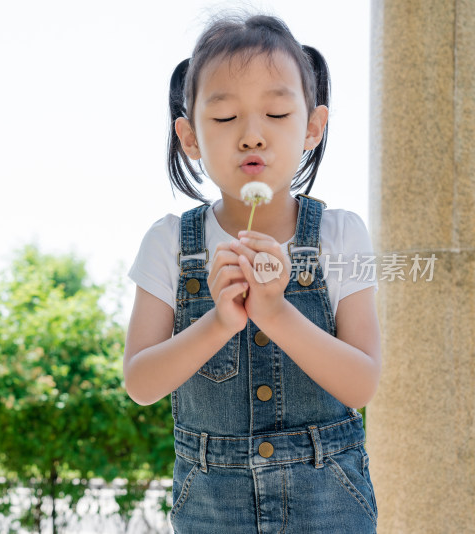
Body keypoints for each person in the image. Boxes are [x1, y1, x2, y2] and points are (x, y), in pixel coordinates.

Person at [124, 13, 381, 533]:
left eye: (277, 112)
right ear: (190, 136)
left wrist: (275, 310)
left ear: (312, 127)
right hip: (211, 508)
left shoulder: (340, 234)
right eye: (223, 119)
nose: (251, 136)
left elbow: (361, 383)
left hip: (329, 501)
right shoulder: (170, 242)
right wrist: (219, 321)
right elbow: (141, 382)